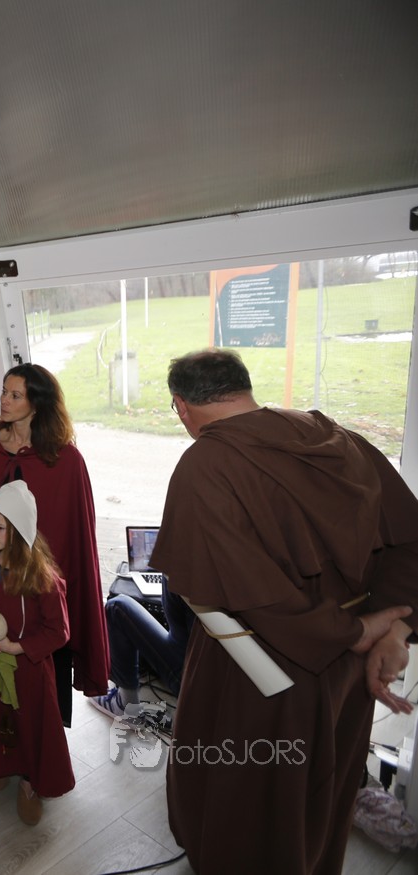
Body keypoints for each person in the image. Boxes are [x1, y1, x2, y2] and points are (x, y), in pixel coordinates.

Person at [149, 348, 418, 874]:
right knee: (326, 788)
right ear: (244, 388)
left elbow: (251, 597)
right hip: (351, 666)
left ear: (181, 406)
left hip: (261, 666)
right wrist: (396, 626)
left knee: (249, 796)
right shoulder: (339, 436)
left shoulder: (205, 463)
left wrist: (359, 631)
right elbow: (408, 540)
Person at [0, 363, 108, 730]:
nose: (4, 400)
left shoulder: (65, 459)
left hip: (40, 575)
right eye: (4, 392)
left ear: (38, 404)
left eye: (16, 395)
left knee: (42, 639)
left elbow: (73, 532)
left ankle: (49, 719)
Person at [0, 480, 73, 826]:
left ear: (20, 530)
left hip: (30, 670)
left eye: (0, 528)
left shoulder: (43, 577)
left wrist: (17, 646)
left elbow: (59, 631)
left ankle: (29, 782)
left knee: (30, 724)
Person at [87, 576, 194, 718]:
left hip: (190, 679)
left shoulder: (181, 572)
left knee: (116, 608)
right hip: (216, 679)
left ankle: (126, 706)